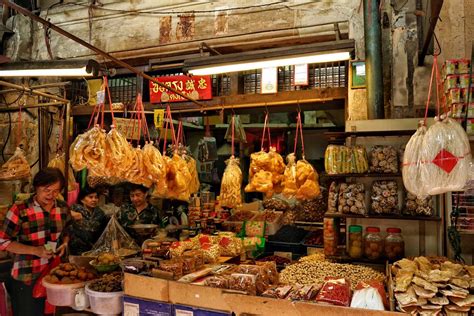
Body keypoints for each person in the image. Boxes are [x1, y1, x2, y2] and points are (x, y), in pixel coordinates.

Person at [0, 167, 71, 316]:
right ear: (36, 187)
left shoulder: (63, 208)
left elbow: (66, 230)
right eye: (47, 190)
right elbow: (3, 241)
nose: (51, 195)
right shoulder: (20, 209)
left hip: (54, 275)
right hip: (27, 276)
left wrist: (64, 243)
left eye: (56, 191)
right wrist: (35, 251)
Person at [68, 186, 109, 256]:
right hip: (76, 249)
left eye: (96, 197)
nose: (94, 200)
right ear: (82, 200)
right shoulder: (74, 210)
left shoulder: (100, 213)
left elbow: (98, 230)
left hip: (93, 249)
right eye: (90, 197)